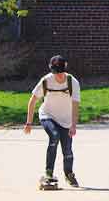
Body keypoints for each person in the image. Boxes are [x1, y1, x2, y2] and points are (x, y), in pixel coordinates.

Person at [24, 55, 82, 187]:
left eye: (61, 73)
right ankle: (48, 172)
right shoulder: (46, 81)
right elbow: (33, 100)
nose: (59, 76)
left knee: (67, 150)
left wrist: (73, 125)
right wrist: (29, 122)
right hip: (47, 115)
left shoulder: (72, 82)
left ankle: (69, 174)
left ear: (65, 68)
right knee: (54, 136)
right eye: (56, 74)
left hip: (66, 120)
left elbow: (75, 105)